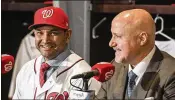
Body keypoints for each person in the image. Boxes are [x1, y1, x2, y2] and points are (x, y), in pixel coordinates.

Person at [13, 6, 101, 99]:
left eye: (53, 33)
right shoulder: (26, 70)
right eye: (40, 33)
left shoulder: (83, 74)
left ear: (67, 35)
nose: (45, 40)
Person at [97, 9, 175, 99]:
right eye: (112, 35)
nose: (111, 43)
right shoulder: (114, 67)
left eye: (118, 36)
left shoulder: (171, 73)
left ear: (142, 39)